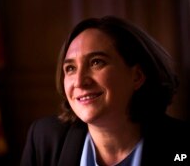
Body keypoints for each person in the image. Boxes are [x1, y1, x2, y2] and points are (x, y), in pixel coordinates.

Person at [20, 16, 189, 166]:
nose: (79, 82)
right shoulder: (44, 139)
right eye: (70, 68)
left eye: (96, 62)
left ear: (137, 76)